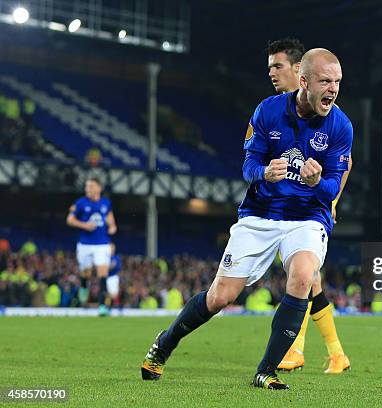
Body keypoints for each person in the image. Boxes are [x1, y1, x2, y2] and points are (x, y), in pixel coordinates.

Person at [141, 48, 353, 390]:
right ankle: (164, 343)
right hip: (260, 214)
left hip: (307, 217)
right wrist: (264, 173)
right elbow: (248, 166)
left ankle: (265, 370)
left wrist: (318, 182)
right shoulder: (267, 111)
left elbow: (332, 189)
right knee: (220, 297)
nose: (333, 88)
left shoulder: (341, 126)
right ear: (303, 81)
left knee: (302, 277)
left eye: (338, 82)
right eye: (325, 81)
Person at [267, 38, 352, 374]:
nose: (272, 73)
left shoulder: (327, 115)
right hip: (283, 209)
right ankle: (336, 354)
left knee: (302, 277)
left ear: (299, 72)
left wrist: (330, 202)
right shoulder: (278, 109)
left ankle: (296, 349)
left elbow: (343, 164)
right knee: (309, 280)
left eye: (278, 66)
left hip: (310, 210)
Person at [66, 177, 117, 316]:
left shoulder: (106, 203)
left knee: (102, 273)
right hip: (85, 245)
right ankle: (83, 286)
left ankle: (102, 306)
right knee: (86, 274)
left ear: (99, 188)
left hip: (102, 244)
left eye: (91, 186)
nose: (87, 189)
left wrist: (112, 227)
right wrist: (85, 225)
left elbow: (111, 221)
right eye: (86, 186)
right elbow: (69, 220)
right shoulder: (80, 203)